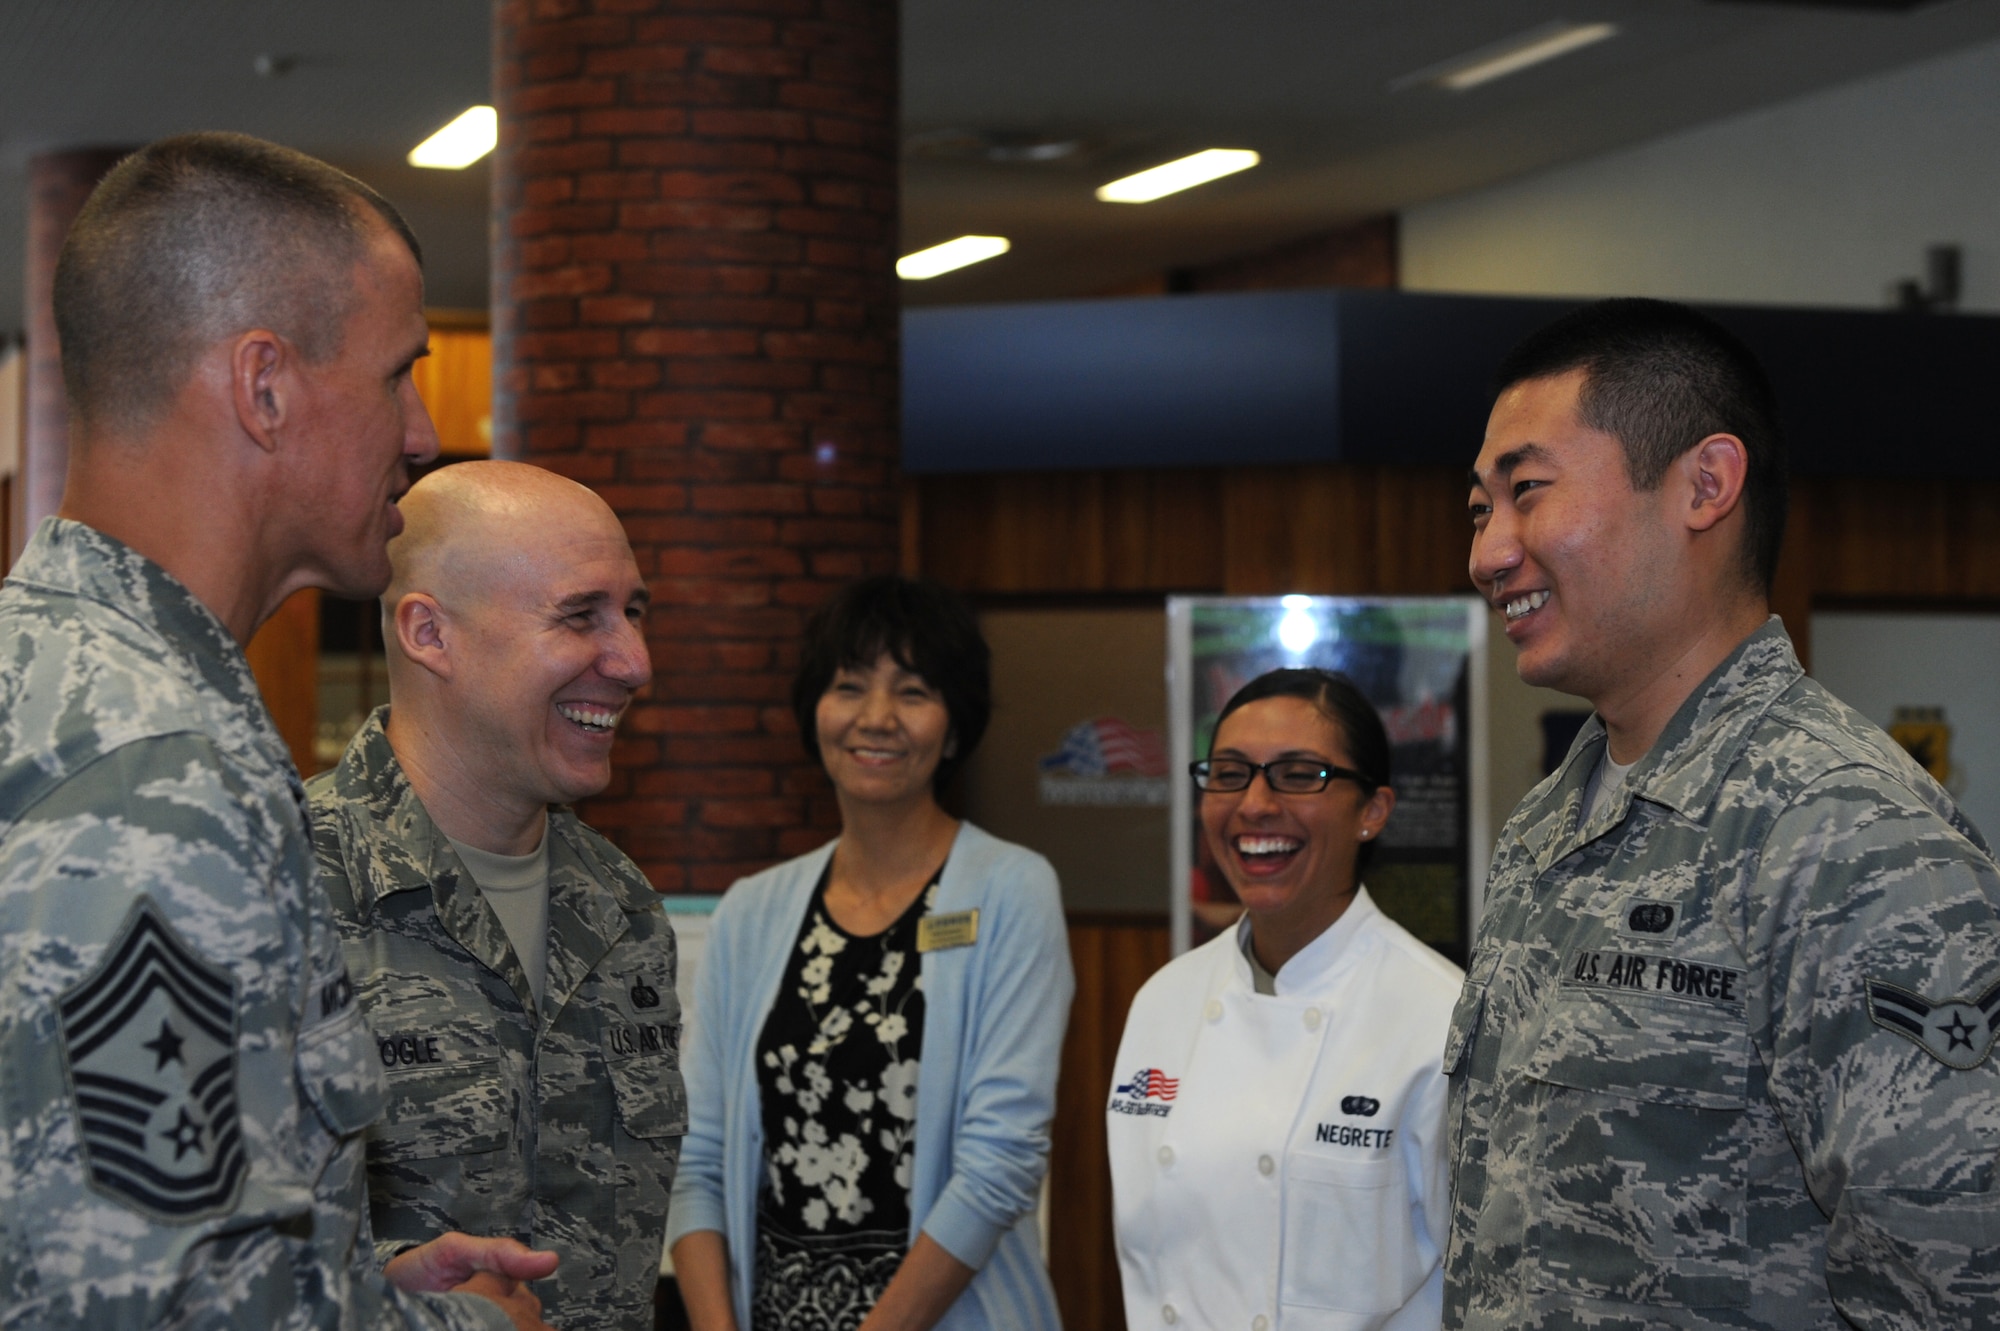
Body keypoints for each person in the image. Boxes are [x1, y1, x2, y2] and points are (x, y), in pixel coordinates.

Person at [0, 134, 556, 1329]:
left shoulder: (42, 671)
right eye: (398, 371)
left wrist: (341, 1276)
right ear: (264, 387)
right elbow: (138, 1305)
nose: (421, 429)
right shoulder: (157, 775)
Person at [1452, 297, 2000, 1328]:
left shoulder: (1846, 832)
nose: (1486, 551)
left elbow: (1960, 1281)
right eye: (1479, 508)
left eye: (1524, 491)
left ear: (1704, 484)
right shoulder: (1544, 829)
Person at [307, 460, 683, 1331]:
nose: (634, 662)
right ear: (431, 634)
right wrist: (377, 1297)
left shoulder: (622, 908)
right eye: (580, 615)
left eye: (633, 612)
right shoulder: (280, 887)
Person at [668, 576, 1073, 1331]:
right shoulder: (751, 910)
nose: (877, 718)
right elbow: (698, 1156)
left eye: (913, 691)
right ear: (815, 712)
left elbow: (1000, 1165)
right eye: (849, 685)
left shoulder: (1012, 889)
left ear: (953, 727)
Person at [1110, 668, 1461, 1331]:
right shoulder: (1163, 1001)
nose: (1255, 804)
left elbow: (1486, 1283)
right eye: (1230, 772)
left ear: (1372, 810)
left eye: (1300, 774)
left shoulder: (1439, 1017)